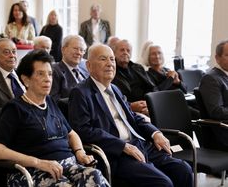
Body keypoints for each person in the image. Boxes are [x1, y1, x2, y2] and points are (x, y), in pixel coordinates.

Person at [68, 44, 193, 186]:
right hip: (117, 153)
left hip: (139, 144)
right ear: (89, 66)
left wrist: (155, 133)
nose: (110, 64)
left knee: (183, 170)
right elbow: (83, 130)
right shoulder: (80, 92)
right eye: (103, 59)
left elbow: (132, 116)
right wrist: (123, 146)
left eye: (112, 59)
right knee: (162, 183)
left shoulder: (115, 89)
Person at [0, 49, 109, 187]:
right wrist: (38, 162)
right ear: (26, 79)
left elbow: (71, 134)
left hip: (68, 165)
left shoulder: (50, 102)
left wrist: (80, 152)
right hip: (33, 170)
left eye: (50, 74)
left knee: (94, 176)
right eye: (41, 74)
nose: (48, 79)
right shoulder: (15, 108)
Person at [112, 39, 157, 116]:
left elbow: (152, 87)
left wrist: (150, 102)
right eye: (122, 50)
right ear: (114, 53)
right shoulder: (111, 70)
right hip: (127, 109)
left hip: (146, 105)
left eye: (128, 50)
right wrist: (130, 106)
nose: (125, 52)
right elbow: (112, 99)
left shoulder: (138, 67)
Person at [199, 40, 228, 146]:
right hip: (222, 132)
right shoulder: (211, 78)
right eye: (227, 55)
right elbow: (216, 111)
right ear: (217, 58)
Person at [50, 35, 89, 102]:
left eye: (82, 50)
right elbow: (54, 101)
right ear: (63, 49)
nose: (79, 53)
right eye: (75, 49)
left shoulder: (86, 70)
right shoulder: (54, 71)